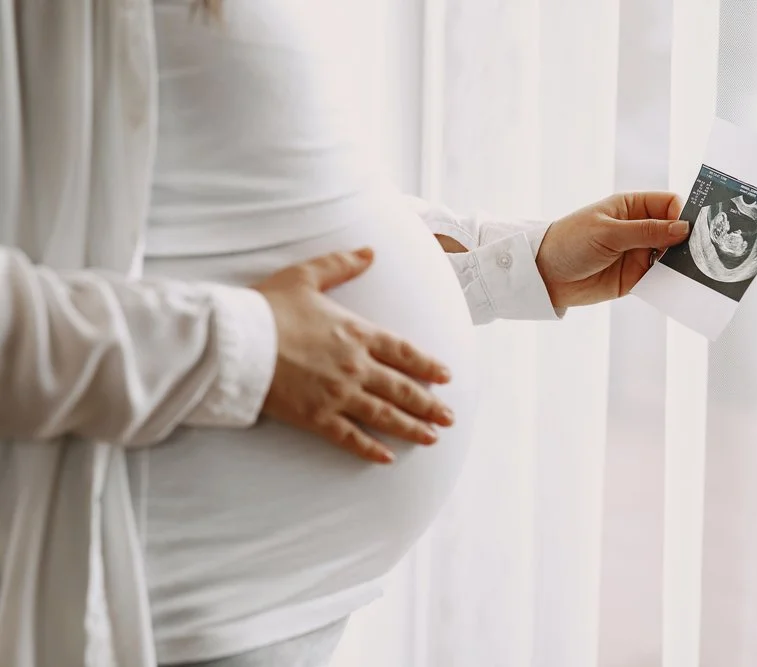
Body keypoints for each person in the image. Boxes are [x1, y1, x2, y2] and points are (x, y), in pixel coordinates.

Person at [0, 2, 690, 666]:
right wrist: (244, 348)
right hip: (177, 605)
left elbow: (240, 214)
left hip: (268, 610)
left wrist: (519, 264)